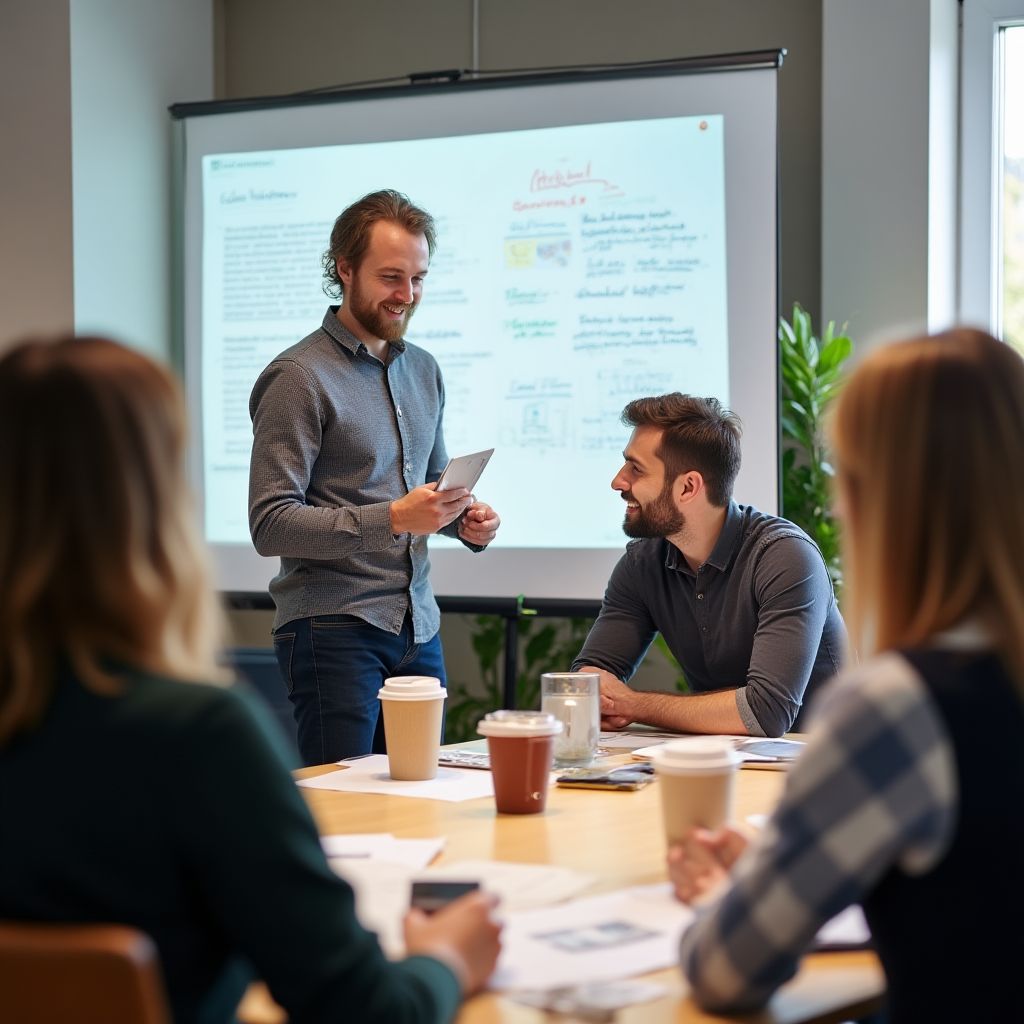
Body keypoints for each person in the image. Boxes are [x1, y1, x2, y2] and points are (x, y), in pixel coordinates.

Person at [0, 336, 501, 1024]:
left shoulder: (423, 371)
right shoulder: (194, 738)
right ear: (151, 503)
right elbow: (364, 1010)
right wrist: (447, 956)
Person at [671, 329, 1024, 1021]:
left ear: (881, 501)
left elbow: (725, 970)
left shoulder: (901, 704)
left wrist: (721, 891)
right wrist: (787, 867)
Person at [248, 189, 501, 766]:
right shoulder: (298, 378)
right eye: (391, 277)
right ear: (344, 268)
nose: (406, 295)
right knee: (347, 816)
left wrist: (466, 520)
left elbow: (432, 485)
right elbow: (270, 524)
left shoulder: (424, 369)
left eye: (418, 278)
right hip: (333, 629)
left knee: (420, 805)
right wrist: (390, 518)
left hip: (419, 627)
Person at [572, 393, 845, 737]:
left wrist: (631, 704)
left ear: (688, 487)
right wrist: (594, 693)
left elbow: (767, 713)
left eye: (635, 469)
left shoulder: (785, 557)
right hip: (723, 759)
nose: (618, 481)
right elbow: (591, 682)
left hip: (830, 761)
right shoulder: (642, 563)